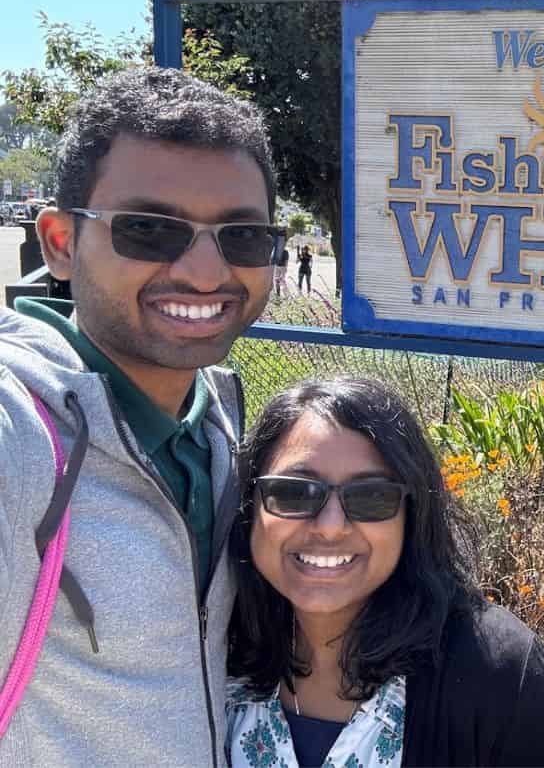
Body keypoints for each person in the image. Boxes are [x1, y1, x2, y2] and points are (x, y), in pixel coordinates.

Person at [0, 67, 284, 766]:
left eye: (242, 237)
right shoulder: (21, 432)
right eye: (150, 230)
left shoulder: (215, 418)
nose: (203, 272)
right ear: (61, 244)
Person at [226, 377, 544, 768]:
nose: (330, 526)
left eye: (370, 497)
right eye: (294, 493)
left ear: (412, 516)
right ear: (250, 507)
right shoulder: (214, 654)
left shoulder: (497, 673)